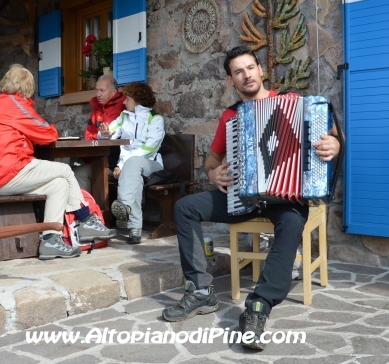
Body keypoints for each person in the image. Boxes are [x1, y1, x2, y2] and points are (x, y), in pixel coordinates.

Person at [161, 46, 341, 351]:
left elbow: (335, 135)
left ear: (261, 70)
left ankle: (259, 307)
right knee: (185, 207)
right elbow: (213, 157)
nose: (246, 75)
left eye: (250, 68)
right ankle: (201, 291)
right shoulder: (231, 116)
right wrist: (214, 173)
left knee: (291, 224)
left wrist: (334, 144)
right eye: (238, 71)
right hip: (243, 198)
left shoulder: (295, 103)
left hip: (287, 197)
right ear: (231, 80)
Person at [0, 64, 116, 259]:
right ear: (26, 87)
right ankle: (85, 221)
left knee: (58, 185)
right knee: (65, 171)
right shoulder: (15, 104)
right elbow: (47, 133)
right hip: (8, 169)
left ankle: (50, 240)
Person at [99, 82, 165, 245]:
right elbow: (109, 134)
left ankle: (123, 203)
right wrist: (105, 134)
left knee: (133, 164)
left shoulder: (155, 119)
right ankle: (135, 228)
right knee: (134, 178)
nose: (123, 102)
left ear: (137, 100)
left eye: (127, 99)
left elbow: (149, 148)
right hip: (131, 167)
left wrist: (123, 165)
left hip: (152, 165)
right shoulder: (124, 117)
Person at [73, 74, 126, 192]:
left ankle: (87, 209)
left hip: (111, 161)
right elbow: (89, 135)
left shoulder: (120, 107)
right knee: (67, 165)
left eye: (102, 90)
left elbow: (106, 136)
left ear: (113, 92)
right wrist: (97, 136)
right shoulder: (98, 107)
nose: (97, 94)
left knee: (77, 171)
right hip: (95, 156)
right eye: (96, 90)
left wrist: (97, 136)